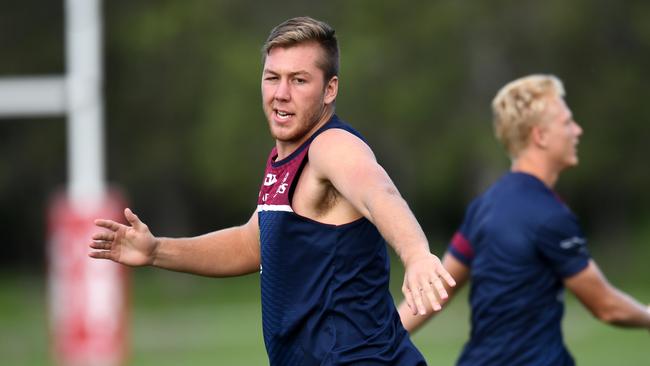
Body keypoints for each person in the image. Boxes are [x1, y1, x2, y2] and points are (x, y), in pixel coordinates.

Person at [90, 16, 455, 365]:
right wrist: (157, 251)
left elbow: (380, 194)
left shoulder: (331, 147)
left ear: (330, 89)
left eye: (299, 81)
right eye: (272, 78)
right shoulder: (285, 159)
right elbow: (253, 243)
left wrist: (417, 254)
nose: (281, 94)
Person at [398, 74, 650, 365]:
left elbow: (439, 290)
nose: (577, 131)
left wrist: (380, 338)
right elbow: (606, 306)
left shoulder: (484, 206)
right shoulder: (551, 216)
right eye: (567, 122)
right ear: (540, 136)